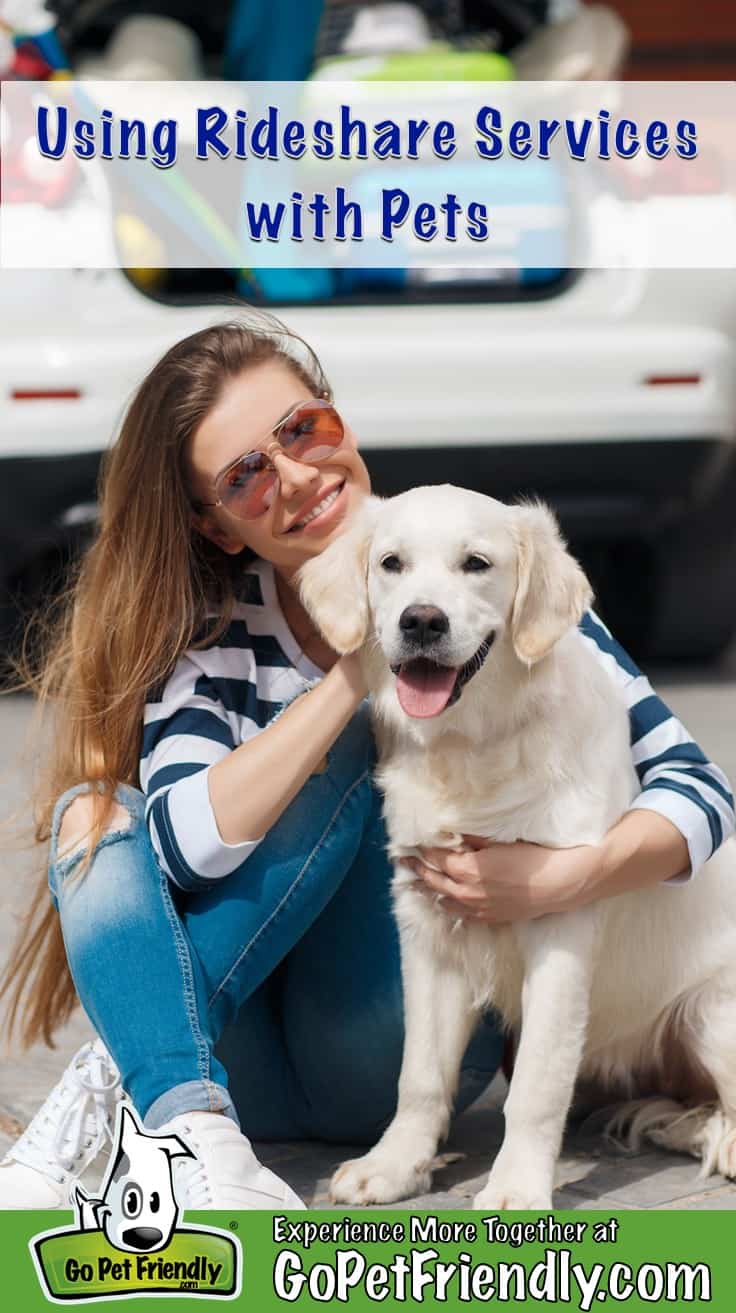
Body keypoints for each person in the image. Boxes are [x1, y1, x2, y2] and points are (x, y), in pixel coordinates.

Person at [0, 318, 733, 1209]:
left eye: (303, 429)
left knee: (385, 743)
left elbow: (698, 791)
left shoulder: (502, 604)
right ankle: (192, 1127)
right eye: (245, 475)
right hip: (240, 1066)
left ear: (338, 422)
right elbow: (184, 849)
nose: (297, 475)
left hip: (376, 1040)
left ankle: (124, 1088)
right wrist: (355, 672)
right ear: (217, 524)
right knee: (97, 810)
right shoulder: (213, 644)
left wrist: (566, 877)